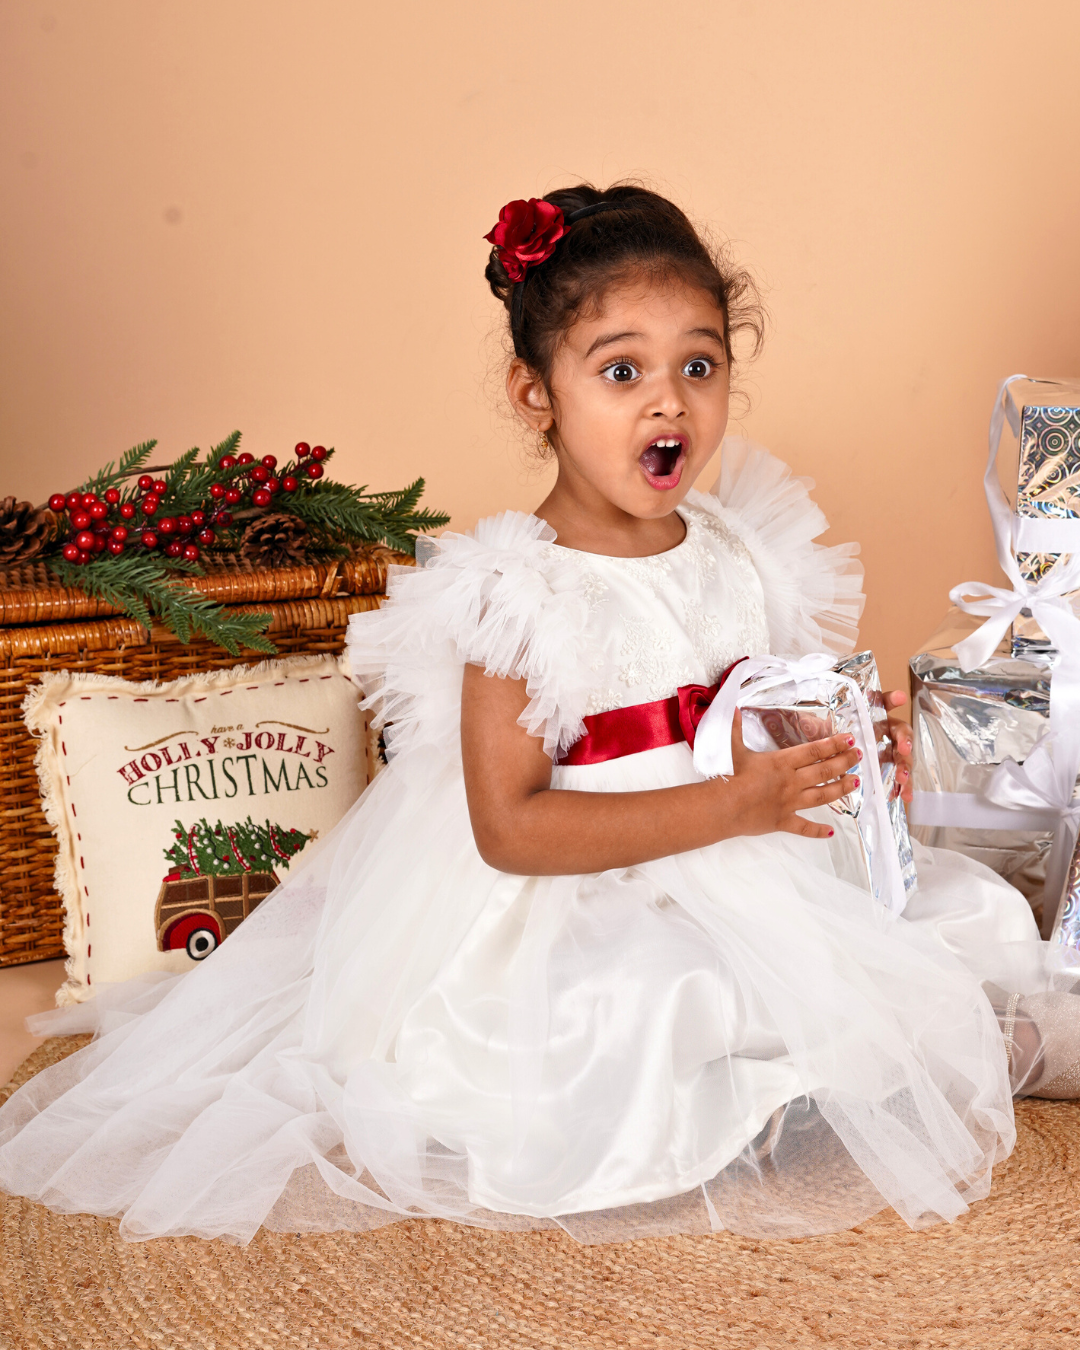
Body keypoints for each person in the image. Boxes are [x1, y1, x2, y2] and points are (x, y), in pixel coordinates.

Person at [0, 184, 1074, 1246]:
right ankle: (754, 1094)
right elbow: (510, 827)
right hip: (585, 887)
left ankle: (804, 1075)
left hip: (740, 847)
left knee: (953, 911)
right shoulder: (517, 593)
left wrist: (835, 744)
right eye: (621, 372)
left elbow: (762, 710)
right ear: (536, 395)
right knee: (646, 998)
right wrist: (735, 806)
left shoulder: (740, 544)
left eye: (698, 367)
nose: (669, 405)